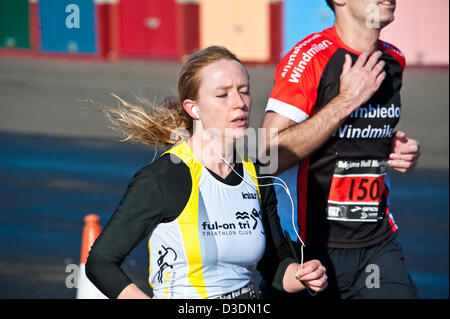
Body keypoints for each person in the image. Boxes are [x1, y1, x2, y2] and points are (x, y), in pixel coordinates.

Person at [85, 46, 328, 299]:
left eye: (244, 91)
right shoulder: (164, 178)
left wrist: (302, 274)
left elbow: (275, 267)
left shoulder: (257, 174)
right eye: (223, 95)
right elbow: (101, 263)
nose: (240, 103)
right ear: (193, 109)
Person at [260, 0, 420, 298]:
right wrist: (346, 102)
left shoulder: (394, 59)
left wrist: (397, 147)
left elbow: (355, 136)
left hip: (376, 243)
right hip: (308, 249)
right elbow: (267, 156)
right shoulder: (309, 58)